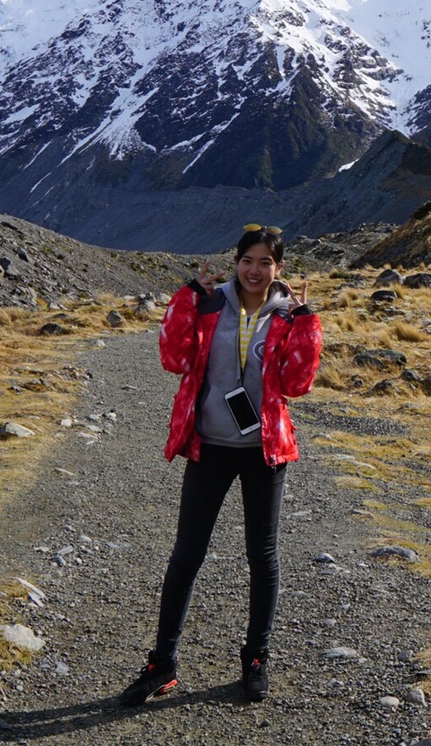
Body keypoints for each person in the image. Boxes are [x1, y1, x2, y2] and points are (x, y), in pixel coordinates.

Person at [118, 224, 322, 706]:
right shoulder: (209, 304)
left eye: (265, 262)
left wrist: (308, 323)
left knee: (262, 556)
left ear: (279, 268)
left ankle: (256, 658)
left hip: (264, 451)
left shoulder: (290, 316)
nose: (255, 270)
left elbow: (297, 385)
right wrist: (185, 300)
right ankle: (161, 664)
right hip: (209, 445)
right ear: (236, 262)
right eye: (248, 260)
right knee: (186, 555)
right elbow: (173, 358)